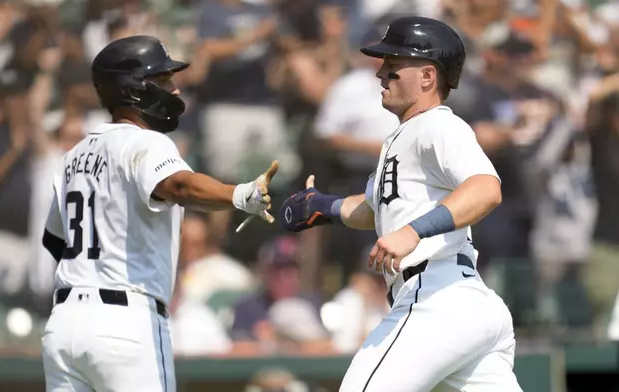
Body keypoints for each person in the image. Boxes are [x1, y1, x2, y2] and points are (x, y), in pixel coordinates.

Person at [279, 17, 523, 392]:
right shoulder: (405, 135)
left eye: (394, 65)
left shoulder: (438, 125)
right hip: (462, 305)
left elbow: (486, 188)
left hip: (436, 298)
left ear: (427, 77)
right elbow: (378, 209)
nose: (381, 73)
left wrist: (412, 232)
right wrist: (323, 207)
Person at [40, 35, 279, 392]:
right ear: (133, 90)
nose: (175, 91)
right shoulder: (144, 142)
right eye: (164, 81)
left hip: (63, 323)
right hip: (125, 324)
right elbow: (180, 186)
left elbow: (55, 240)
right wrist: (239, 194)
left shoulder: (72, 157)